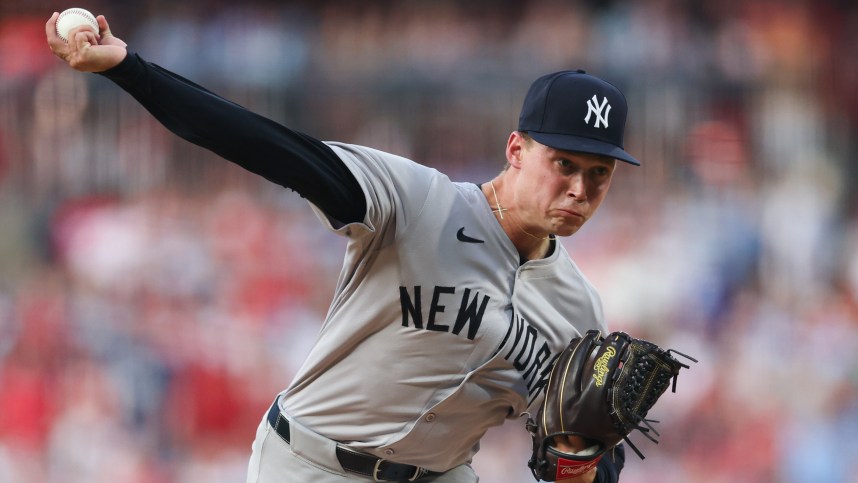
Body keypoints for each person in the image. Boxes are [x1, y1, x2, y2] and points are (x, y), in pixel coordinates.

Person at [46, 11, 639, 483]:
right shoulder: (415, 203)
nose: (579, 189)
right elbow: (265, 145)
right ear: (515, 150)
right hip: (311, 465)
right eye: (563, 163)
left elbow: (587, 466)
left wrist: (579, 460)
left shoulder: (577, 312)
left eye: (598, 175)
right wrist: (129, 68)